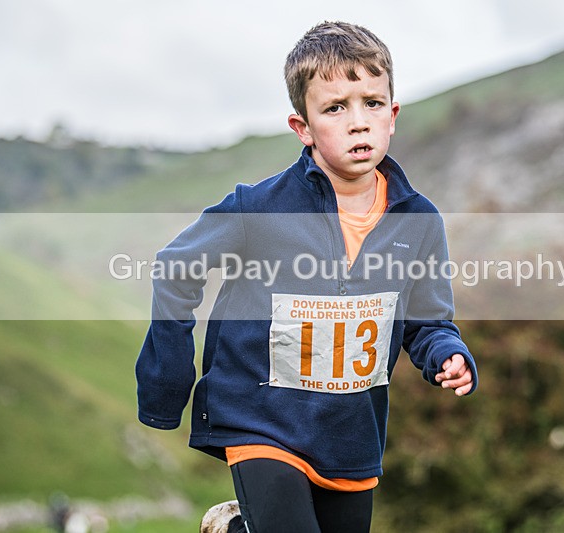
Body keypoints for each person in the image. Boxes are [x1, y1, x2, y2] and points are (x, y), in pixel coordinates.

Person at [136, 21, 477, 533]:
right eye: (335, 108)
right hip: (261, 417)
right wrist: (167, 378)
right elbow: (175, 268)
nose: (358, 122)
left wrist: (445, 355)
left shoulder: (418, 220)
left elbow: (426, 321)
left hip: (349, 431)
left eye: (372, 103)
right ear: (303, 127)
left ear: (393, 115)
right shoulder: (258, 208)